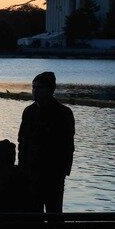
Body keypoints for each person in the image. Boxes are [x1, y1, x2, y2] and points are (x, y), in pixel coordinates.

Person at [17, 70, 75, 214]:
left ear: (50, 90)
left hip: (53, 176)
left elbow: (68, 146)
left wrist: (63, 172)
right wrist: (23, 169)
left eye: (39, 87)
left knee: (54, 216)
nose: (35, 91)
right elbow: (22, 142)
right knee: (33, 217)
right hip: (31, 175)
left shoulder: (64, 113)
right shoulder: (29, 112)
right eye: (33, 87)